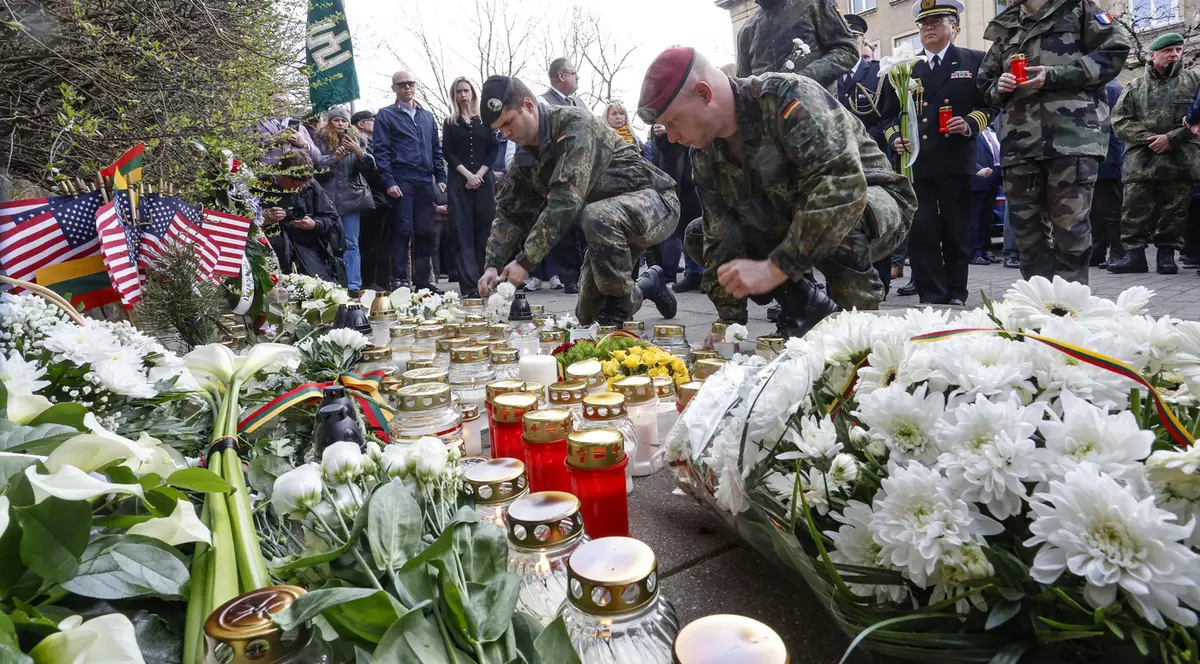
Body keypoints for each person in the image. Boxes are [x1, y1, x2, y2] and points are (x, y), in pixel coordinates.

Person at [638, 47, 916, 337]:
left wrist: (775, 268)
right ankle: (804, 308)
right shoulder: (703, 153)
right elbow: (719, 236)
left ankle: (857, 330)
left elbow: (842, 186)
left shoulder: (787, 97)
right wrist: (729, 324)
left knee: (836, 216)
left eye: (673, 122)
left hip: (871, 200)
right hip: (791, 215)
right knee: (699, 235)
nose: (671, 136)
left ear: (704, 93)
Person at [477, 75, 679, 325]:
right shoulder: (525, 155)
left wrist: (524, 261)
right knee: (588, 315)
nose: (506, 133)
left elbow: (565, 201)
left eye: (508, 122)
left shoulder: (576, 125)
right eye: (499, 129)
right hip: (607, 225)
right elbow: (510, 211)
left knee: (596, 217)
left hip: (655, 203)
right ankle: (649, 284)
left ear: (528, 105)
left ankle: (617, 315)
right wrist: (493, 265)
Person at [977, 0, 1129, 284]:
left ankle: (1069, 304)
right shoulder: (1006, 26)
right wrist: (999, 87)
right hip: (1019, 145)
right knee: (1027, 236)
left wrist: (1055, 75)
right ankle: (1040, 302)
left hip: (1070, 139)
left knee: (1070, 231)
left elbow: (1115, 51)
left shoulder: (1078, 8)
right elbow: (985, 81)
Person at [879, 0, 994, 305]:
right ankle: (931, 293)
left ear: (955, 27)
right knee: (922, 231)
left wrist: (970, 123)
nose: (928, 27)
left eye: (937, 21)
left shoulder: (974, 60)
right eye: (923, 23)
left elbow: (989, 105)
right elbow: (887, 117)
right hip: (917, 164)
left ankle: (956, 291)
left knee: (957, 230)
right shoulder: (904, 67)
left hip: (955, 159)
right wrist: (895, 139)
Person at [1109, 33, 1200, 275]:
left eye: (1178, 50)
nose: (1174, 54)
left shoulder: (1194, 80)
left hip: (1180, 156)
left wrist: (1172, 138)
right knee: (1134, 207)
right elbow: (1119, 121)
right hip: (1141, 158)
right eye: (1168, 50)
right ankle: (1134, 255)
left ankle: (1166, 255)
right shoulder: (1135, 86)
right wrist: (1149, 138)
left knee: (1175, 209)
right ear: (1153, 55)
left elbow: (1198, 118)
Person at [374, 70, 448, 292]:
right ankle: (400, 279)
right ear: (394, 89)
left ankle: (423, 281)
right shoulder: (386, 115)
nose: (407, 87)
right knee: (403, 229)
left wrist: (441, 176)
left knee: (426, 231)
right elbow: (381, 150)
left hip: (425, 180)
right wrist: (389, 181)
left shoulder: (427, 116)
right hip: (402, 178)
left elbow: (436, 148)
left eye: (410, 83)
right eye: (402, 84)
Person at [441, 77, 500, 298]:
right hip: (459, 180)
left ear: (473, 93)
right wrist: (467, 175)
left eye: (466, 90)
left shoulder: (486, 119)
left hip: (484, 180)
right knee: (462, 231)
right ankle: (469, 286)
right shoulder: (450, 122)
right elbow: (448, 152)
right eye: (458, 91)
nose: (463, 95)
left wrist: (479, 175)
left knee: (485, 230)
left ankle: (487, 282)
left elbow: (493, 149)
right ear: (454, 95)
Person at [312, 107, 376, 295]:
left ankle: (354, 285)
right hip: (327, 199)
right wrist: (334, 159)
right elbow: (315, 169)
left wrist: (359, 152)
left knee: (351, 243)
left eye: (344, 120)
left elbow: (371, 168)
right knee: (329, 243)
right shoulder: (320, 139)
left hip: (351, 199)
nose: (340, 124)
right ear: (329, 122)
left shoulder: (358, 140)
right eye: (336, 120)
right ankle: (331, 284)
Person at [263, 150, 346, 283]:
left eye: (301, 186)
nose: (296, 189)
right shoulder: (262, 186)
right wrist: (264, 219)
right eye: (293, 185)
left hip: (308, 251)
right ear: (281, 174)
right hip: (273, 250)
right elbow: (245, 220)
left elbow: (332, 219)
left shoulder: (311, 187)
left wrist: (314, 224)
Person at [736, 0, 858, 88]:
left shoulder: (814, 3)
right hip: (769, 115)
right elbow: (743, 86)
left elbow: (847, 50)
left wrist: (802, 79)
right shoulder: (747, 29)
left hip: (815, 110)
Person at [650, 123, 703, 291]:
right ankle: (693, 272)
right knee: (682, 228)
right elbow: (660, 147)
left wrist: (673, 129)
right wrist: (660, 134)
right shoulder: (661, 121)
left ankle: (703, 272)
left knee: (698, 226)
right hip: (674, 180)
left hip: (694, 176)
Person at [351, 109, 392, 290]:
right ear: (361, 123)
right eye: (373, 120)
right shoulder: (359, 143)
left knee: (383, 244)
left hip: (383, 197)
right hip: (369, 198)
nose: (378, 124)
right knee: (369, 243)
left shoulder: (378, 143)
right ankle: (369, 282)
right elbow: (370, 171)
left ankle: (382, 280)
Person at [837, 14, 886, 148]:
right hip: (838, 153)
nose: (849, 41)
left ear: (863, 41)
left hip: (873, 150)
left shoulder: (879, 73)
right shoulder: (829, 75)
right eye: (844, 36)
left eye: (854, 36)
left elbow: (889, 116)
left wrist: (862, 140)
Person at [1091, 79, 1124, 269]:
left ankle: (1117, 253)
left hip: (1106, 157)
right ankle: (1097, 253)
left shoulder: (1110, 88)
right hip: (1101, 157)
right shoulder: (1108, 86)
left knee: (1110, 211)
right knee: (1096, 211)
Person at [969, 124, 1003, 266]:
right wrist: (977, 169)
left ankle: (985, 251)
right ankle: (974, 253)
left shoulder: (993, 131)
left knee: (986, 218)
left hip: (993, 178)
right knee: (974, 218)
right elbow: (966, 154)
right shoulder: (971, 130)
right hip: (977, 178)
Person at [259, 93, 322, 165]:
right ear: (267, 103)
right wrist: (273, 139)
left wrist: (304, 143)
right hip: (269, 170)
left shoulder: (300, 128)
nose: (281, 104)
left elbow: (318, 158)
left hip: (298, 170)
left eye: (285, 102)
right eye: (276, 101)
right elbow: (250, 149)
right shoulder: (258, 124)